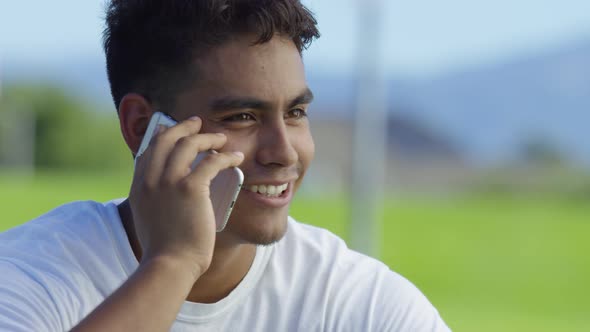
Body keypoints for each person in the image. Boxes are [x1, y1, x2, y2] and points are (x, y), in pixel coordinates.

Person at [0, 1, 451, 331]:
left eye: (295, 113)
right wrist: (174, 263)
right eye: (243, 117)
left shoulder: (356, 302)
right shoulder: (25, 277)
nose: (285, 152)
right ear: (142, 127)